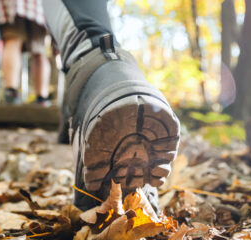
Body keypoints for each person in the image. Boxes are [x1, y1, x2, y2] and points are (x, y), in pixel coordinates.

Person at [41, 0, 181, 212]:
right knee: (70, 38)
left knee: (83, 35)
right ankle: (106, 81)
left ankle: (104, 72)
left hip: (96, 70)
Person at [0, 0, 50, 105]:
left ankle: (11, 93)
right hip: (39, 6)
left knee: (13, 40)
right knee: (39, 50)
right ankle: (42, 98)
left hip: (13, 4)